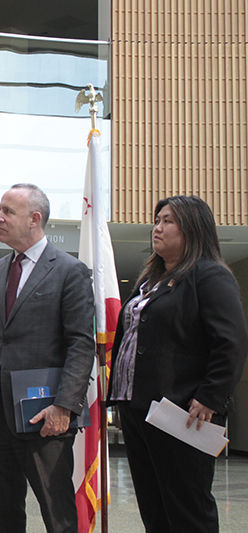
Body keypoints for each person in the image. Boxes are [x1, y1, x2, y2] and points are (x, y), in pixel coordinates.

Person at [108, 195, 248, 532]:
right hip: (138, 408)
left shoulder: (210, 276)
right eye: (156, 220)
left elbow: (231, 342)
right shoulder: (148, 282)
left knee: (187, 510)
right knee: (154, 507)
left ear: (193, 228)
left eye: (168, 221)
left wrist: (211, 396)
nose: (157, 228)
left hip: (184, 412)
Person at [0, 184, 94, 533]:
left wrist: (64, 406)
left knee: (59, 516)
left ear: (35, 219)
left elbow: (81, 344)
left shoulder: (70, 271)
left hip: (45, 417)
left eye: (8, 211)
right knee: (2, 515)